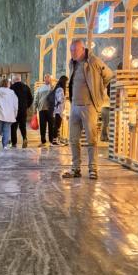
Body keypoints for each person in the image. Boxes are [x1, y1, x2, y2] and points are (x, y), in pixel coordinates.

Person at [62, 39, 114, 180]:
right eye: (71, 50)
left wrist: (98, 90)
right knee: (73, 139)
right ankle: (75, 168)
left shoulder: (93, 61)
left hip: (88, 106)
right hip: (74, 106)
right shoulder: (72, 63)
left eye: (74, 50)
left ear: (82, 49)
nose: (72, 53)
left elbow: (109, 75)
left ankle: (93, 169)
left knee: (91, 140)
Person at [0, 78, 18, 150]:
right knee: (6, 130)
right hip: (9, 115)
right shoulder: (12, 92)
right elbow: (15, 105)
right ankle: (5, 146)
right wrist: (15, 114)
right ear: (8, 84)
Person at [9, 74, 33, 148]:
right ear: (20, 79)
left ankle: (14, 143)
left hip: (14, 111)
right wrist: (26, 106)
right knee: (23, 126)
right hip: (23, 110)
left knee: (13, 127)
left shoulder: (12, 87)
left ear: (14, 80)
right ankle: (24, 138)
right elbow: (31, 99)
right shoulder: (26, 87)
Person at [48, 75, 68, 146]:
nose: (66, 84)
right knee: (57, 125)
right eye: (66, 82)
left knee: (56, 125)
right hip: (58, 110)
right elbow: (60, 99)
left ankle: (55, 140)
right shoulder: (60, 89)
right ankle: (54, 141)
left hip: (56, 109)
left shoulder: (57, 87)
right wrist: (65, 98)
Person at [33, 74, 53, 147]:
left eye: (48, 78)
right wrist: (34, 109)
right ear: (44, 79)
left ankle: (51, 141)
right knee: (42, 126)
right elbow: (36, 99)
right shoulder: (40, 88)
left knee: (51, 125)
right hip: (42, 109)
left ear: (50, 79)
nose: (47, 79)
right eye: (46, 78)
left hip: (50, 109)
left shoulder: (52, 87)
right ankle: (43, 141)